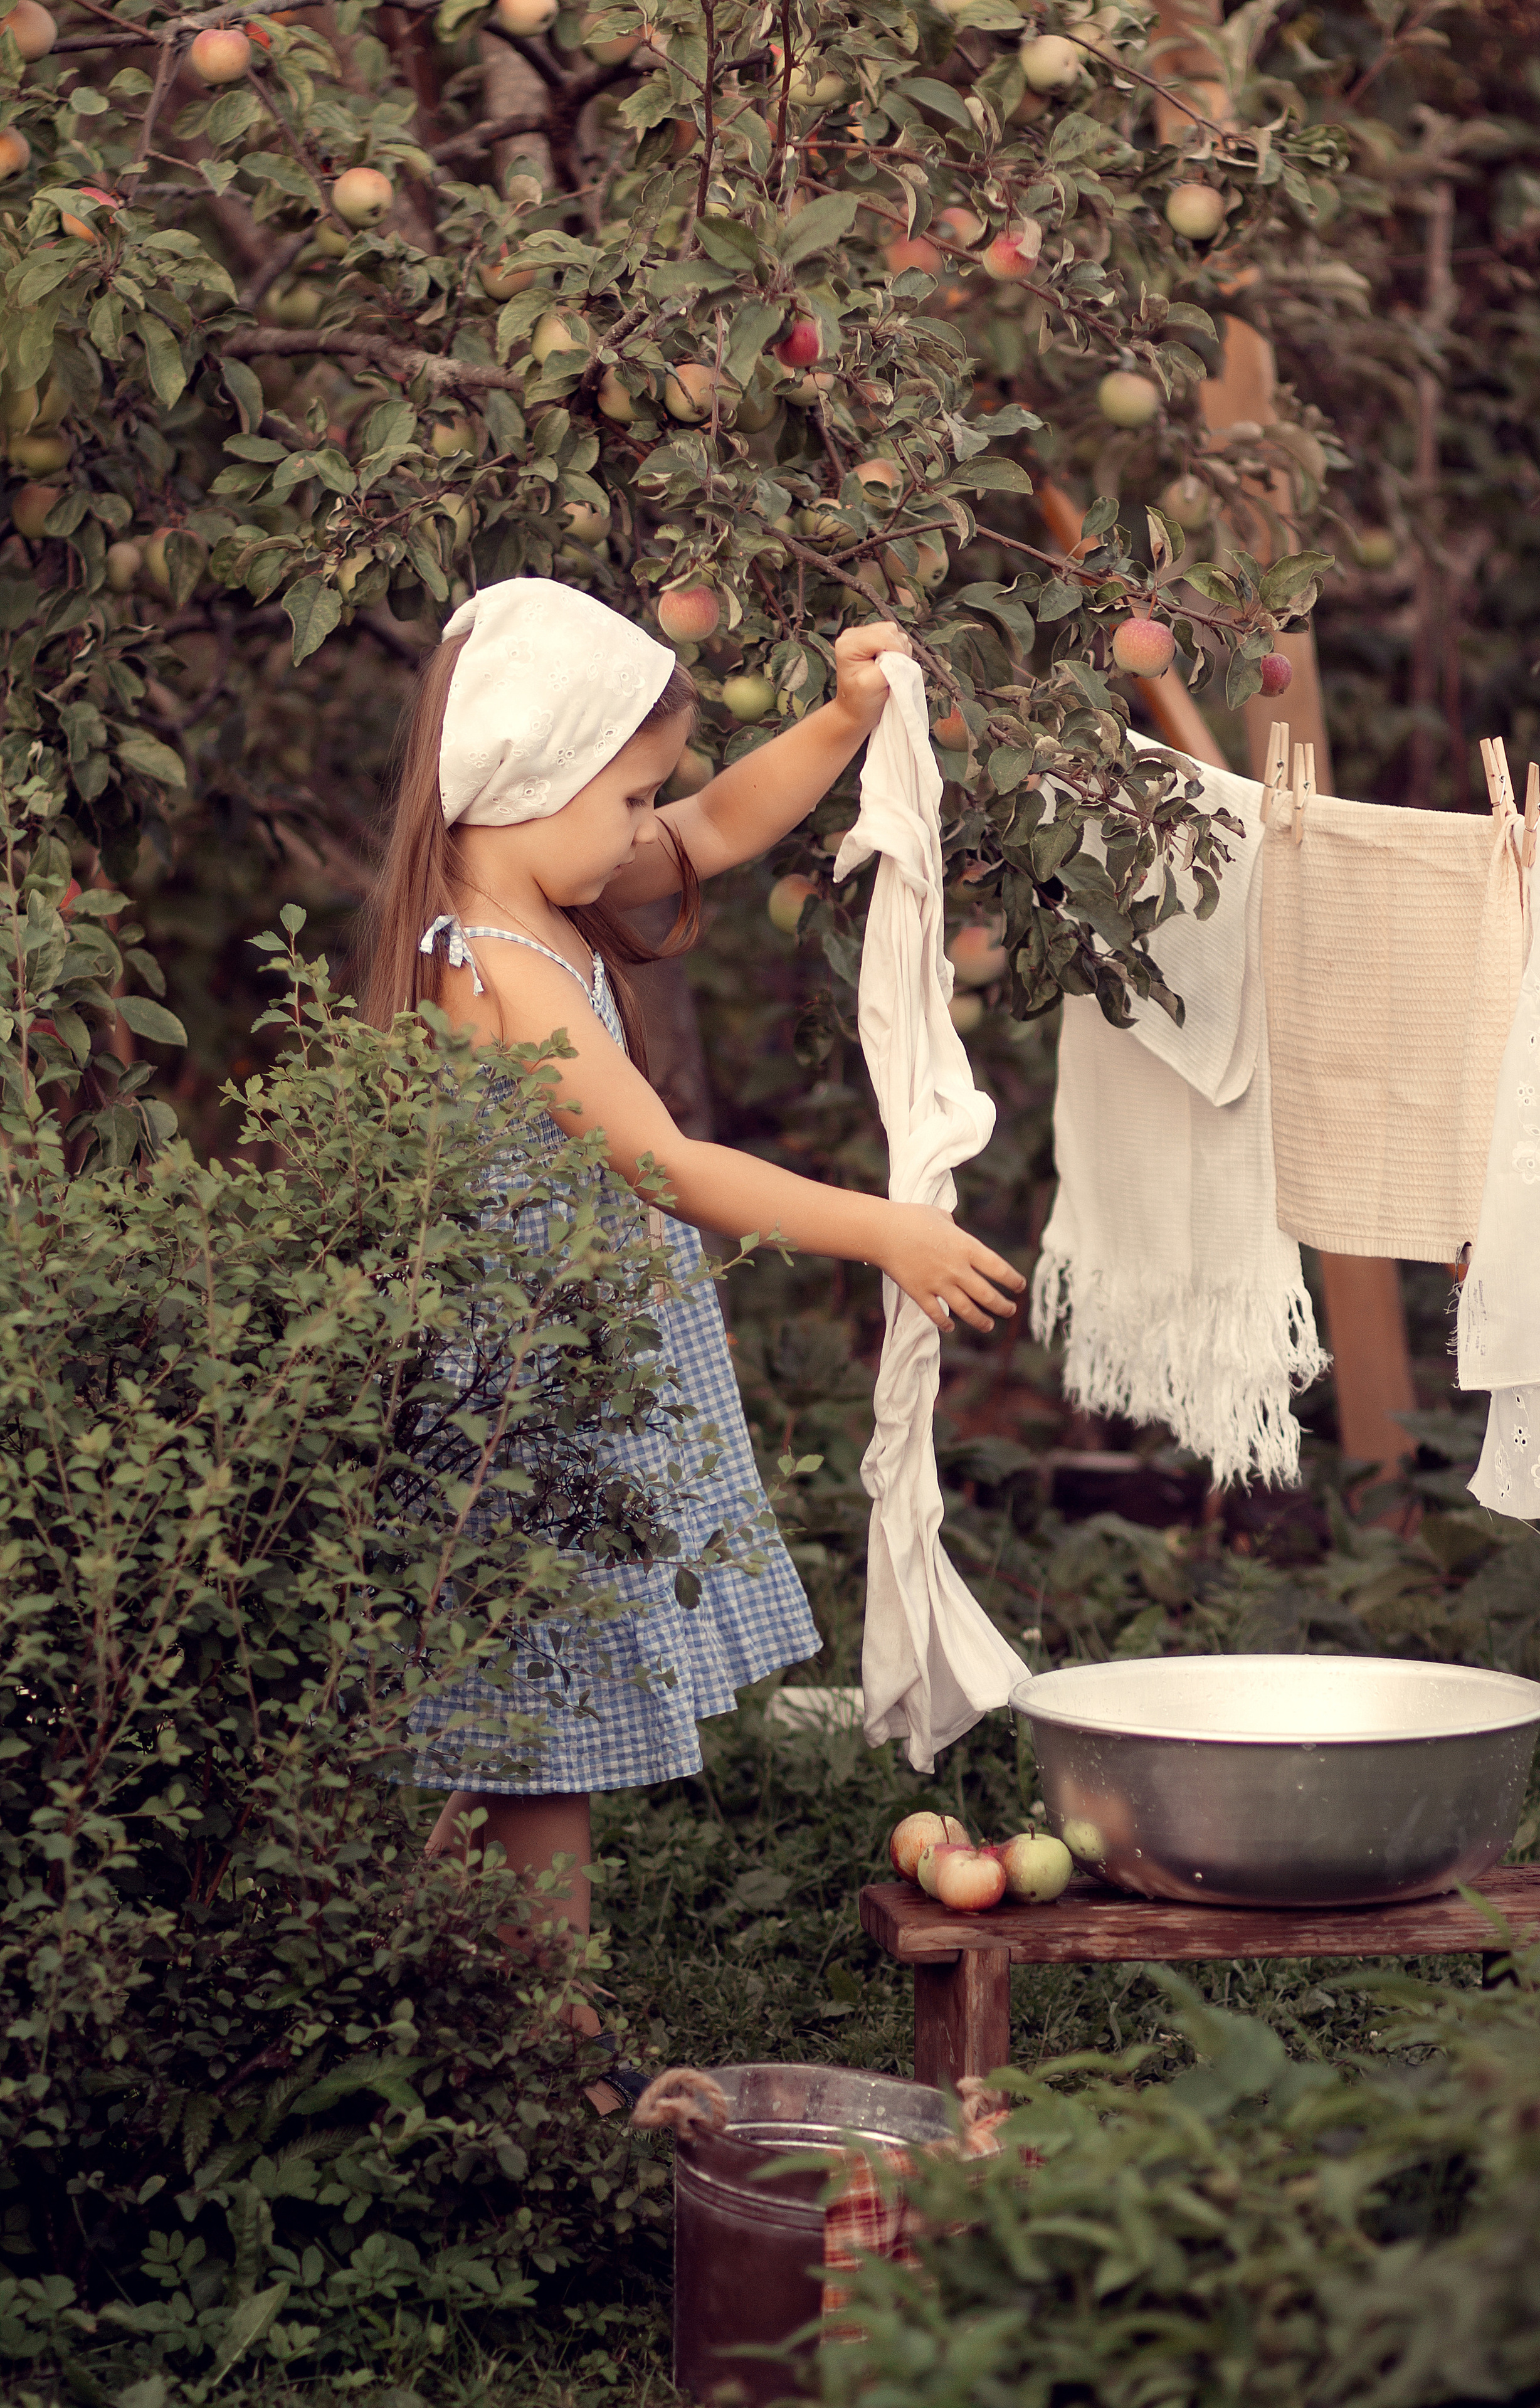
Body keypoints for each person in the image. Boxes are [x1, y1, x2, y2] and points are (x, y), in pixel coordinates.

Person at [359, 578, 1023, 2089]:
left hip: (576, 1356)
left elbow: (722, 822)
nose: (650, 827)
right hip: (519, 1403)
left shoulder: (541, 877)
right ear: (530, 777)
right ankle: (551, 2033)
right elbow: (667, 1166)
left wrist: (845, 720)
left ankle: (459, 1979)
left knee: (501, 1722)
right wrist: (886, 1230)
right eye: (629, 793)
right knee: (525, 1721)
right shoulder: (493, 968)